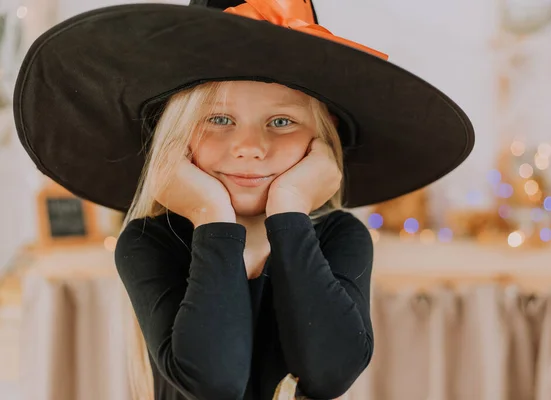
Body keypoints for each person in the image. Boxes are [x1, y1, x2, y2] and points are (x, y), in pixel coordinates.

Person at [12, 0, 474, 399]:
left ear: (321, 143)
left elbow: (330, 371)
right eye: (218, 119)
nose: (250, 146)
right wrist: (212, 217)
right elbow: (216, 380)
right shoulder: (151, 240)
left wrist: (290, 209)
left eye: (280, 122)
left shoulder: (339, 236)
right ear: (177, 138)